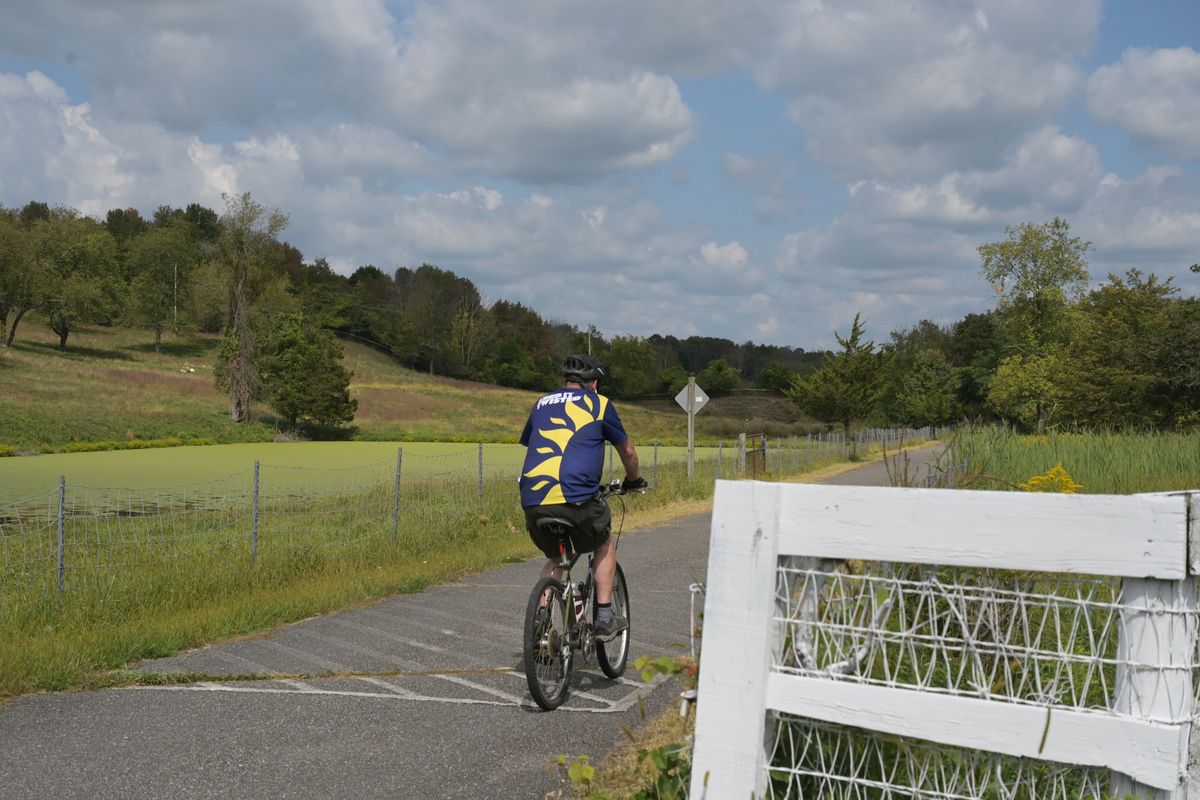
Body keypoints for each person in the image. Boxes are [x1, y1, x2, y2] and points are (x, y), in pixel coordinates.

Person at [519, 354, 647, 641]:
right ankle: (603, 617)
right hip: (576, 497)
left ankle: (540, 622)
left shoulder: (540, 403)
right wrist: (633, 481)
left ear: (564, 381)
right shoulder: (600, 404)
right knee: (602, 541)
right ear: (595, 383)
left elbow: (534, 442)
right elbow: (627, 451)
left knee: (556, 558)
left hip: (534, 497)